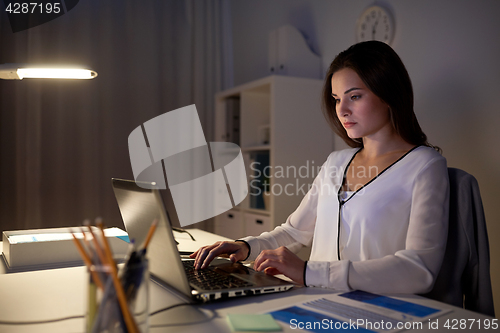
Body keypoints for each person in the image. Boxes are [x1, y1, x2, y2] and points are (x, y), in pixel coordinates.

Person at [190, 41, 449, 294]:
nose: (342, 110)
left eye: (354, 96)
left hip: (377, 311)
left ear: (389, 93)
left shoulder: (425, 166)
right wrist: (245, 246)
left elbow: (419, 270)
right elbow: (295, 231)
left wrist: (308, 272)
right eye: (337, 99)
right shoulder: (336, 162)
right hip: (317, 300)